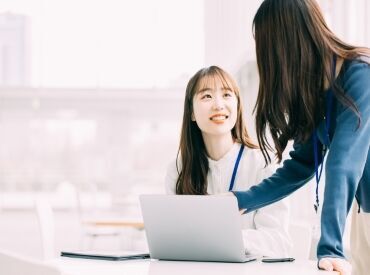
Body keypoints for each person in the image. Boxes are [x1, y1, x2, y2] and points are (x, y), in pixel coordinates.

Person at [231, 1, 370, 275]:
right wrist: (241, 200)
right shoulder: (318, 92)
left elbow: (343, 163)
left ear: (287, 43)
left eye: (267, 46)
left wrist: (331, 248)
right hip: (363, 214)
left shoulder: (360, 75)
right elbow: (301, 165)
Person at [165, 65, 292, 257]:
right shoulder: (179, 168)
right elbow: (172, 237)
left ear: (238, 106)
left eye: (226, 95)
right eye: (206, 96)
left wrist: (226, 239)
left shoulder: (263, 163)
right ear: (191, 112)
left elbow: (279, 241)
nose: (218, 105)